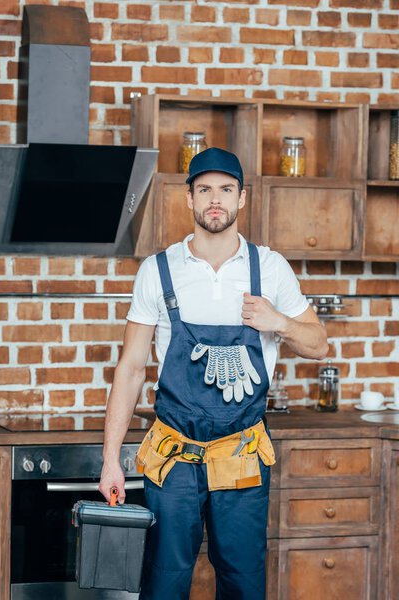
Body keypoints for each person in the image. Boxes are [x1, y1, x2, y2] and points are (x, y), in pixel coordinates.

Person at [99, 147, 328, 600]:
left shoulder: (270, 269)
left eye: (226, 189)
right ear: (189, 199)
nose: (215, 199)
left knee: (243, 582)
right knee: (164, 579)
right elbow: (130, 370)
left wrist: (277, 321)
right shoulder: (158, 270)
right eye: (204, 189)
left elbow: (318, 345)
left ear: (242, 198)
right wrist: (110, 460)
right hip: (173, 455)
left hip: (242, 455)